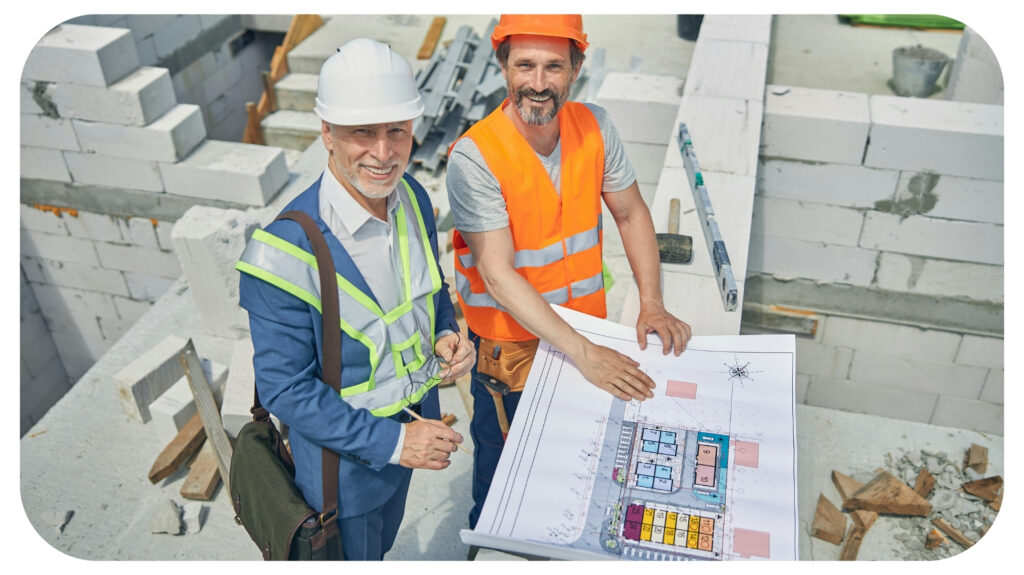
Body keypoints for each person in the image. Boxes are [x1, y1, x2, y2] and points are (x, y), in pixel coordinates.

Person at [446, 14, 693, 530]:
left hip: (584, 333)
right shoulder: (475, 156)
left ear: (577, 66)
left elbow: (631, 213)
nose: (538, 83)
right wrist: (585, 354)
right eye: (525, 65)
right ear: (502, 65)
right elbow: (497, 274)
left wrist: (652, 303)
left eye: (553, 66)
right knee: (505, 478)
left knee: (573, 462)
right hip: (511, 351)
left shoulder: (594, 126)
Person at [236, 38, 475, 560]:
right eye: (362, 133)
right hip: (347, 475)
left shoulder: (411, 197)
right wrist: (394, 445)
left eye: (397, 131)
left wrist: (445, 333)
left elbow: (428, 291)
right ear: (326, 132)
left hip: (414, 437)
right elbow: (285, 389)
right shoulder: (283, 255)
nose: (384, 153)